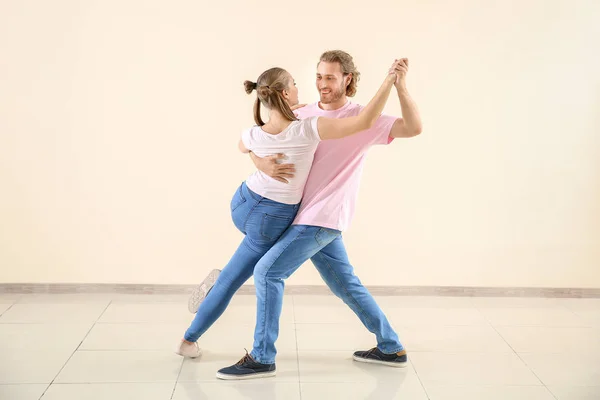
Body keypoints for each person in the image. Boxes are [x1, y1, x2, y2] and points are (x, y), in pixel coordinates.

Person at [216, 50, 422, 380]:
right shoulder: (304, 114)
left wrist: (399, 86)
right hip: (301, 216)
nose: (322, 84)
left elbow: (413, 128)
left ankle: (262, 356)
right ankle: (390, 346)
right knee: (346, 286)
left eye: (330, 77)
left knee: (268, 272)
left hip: (323, 216)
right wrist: (261, 163)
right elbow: (260, 138)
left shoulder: (364, 116)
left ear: (347, 79)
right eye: (318, 76)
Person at [175, 63, 399, 358]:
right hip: (274, 215)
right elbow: (364, 121)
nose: (301, 87)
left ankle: (189, 340)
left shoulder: (256, 132)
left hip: (244, 201)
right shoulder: (308, 127)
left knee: (235, 277)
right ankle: (256, 355)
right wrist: (389, 82)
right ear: (283, 93)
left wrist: (261, 162)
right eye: (294, 84)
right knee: (256, 274)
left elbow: (242, 147)